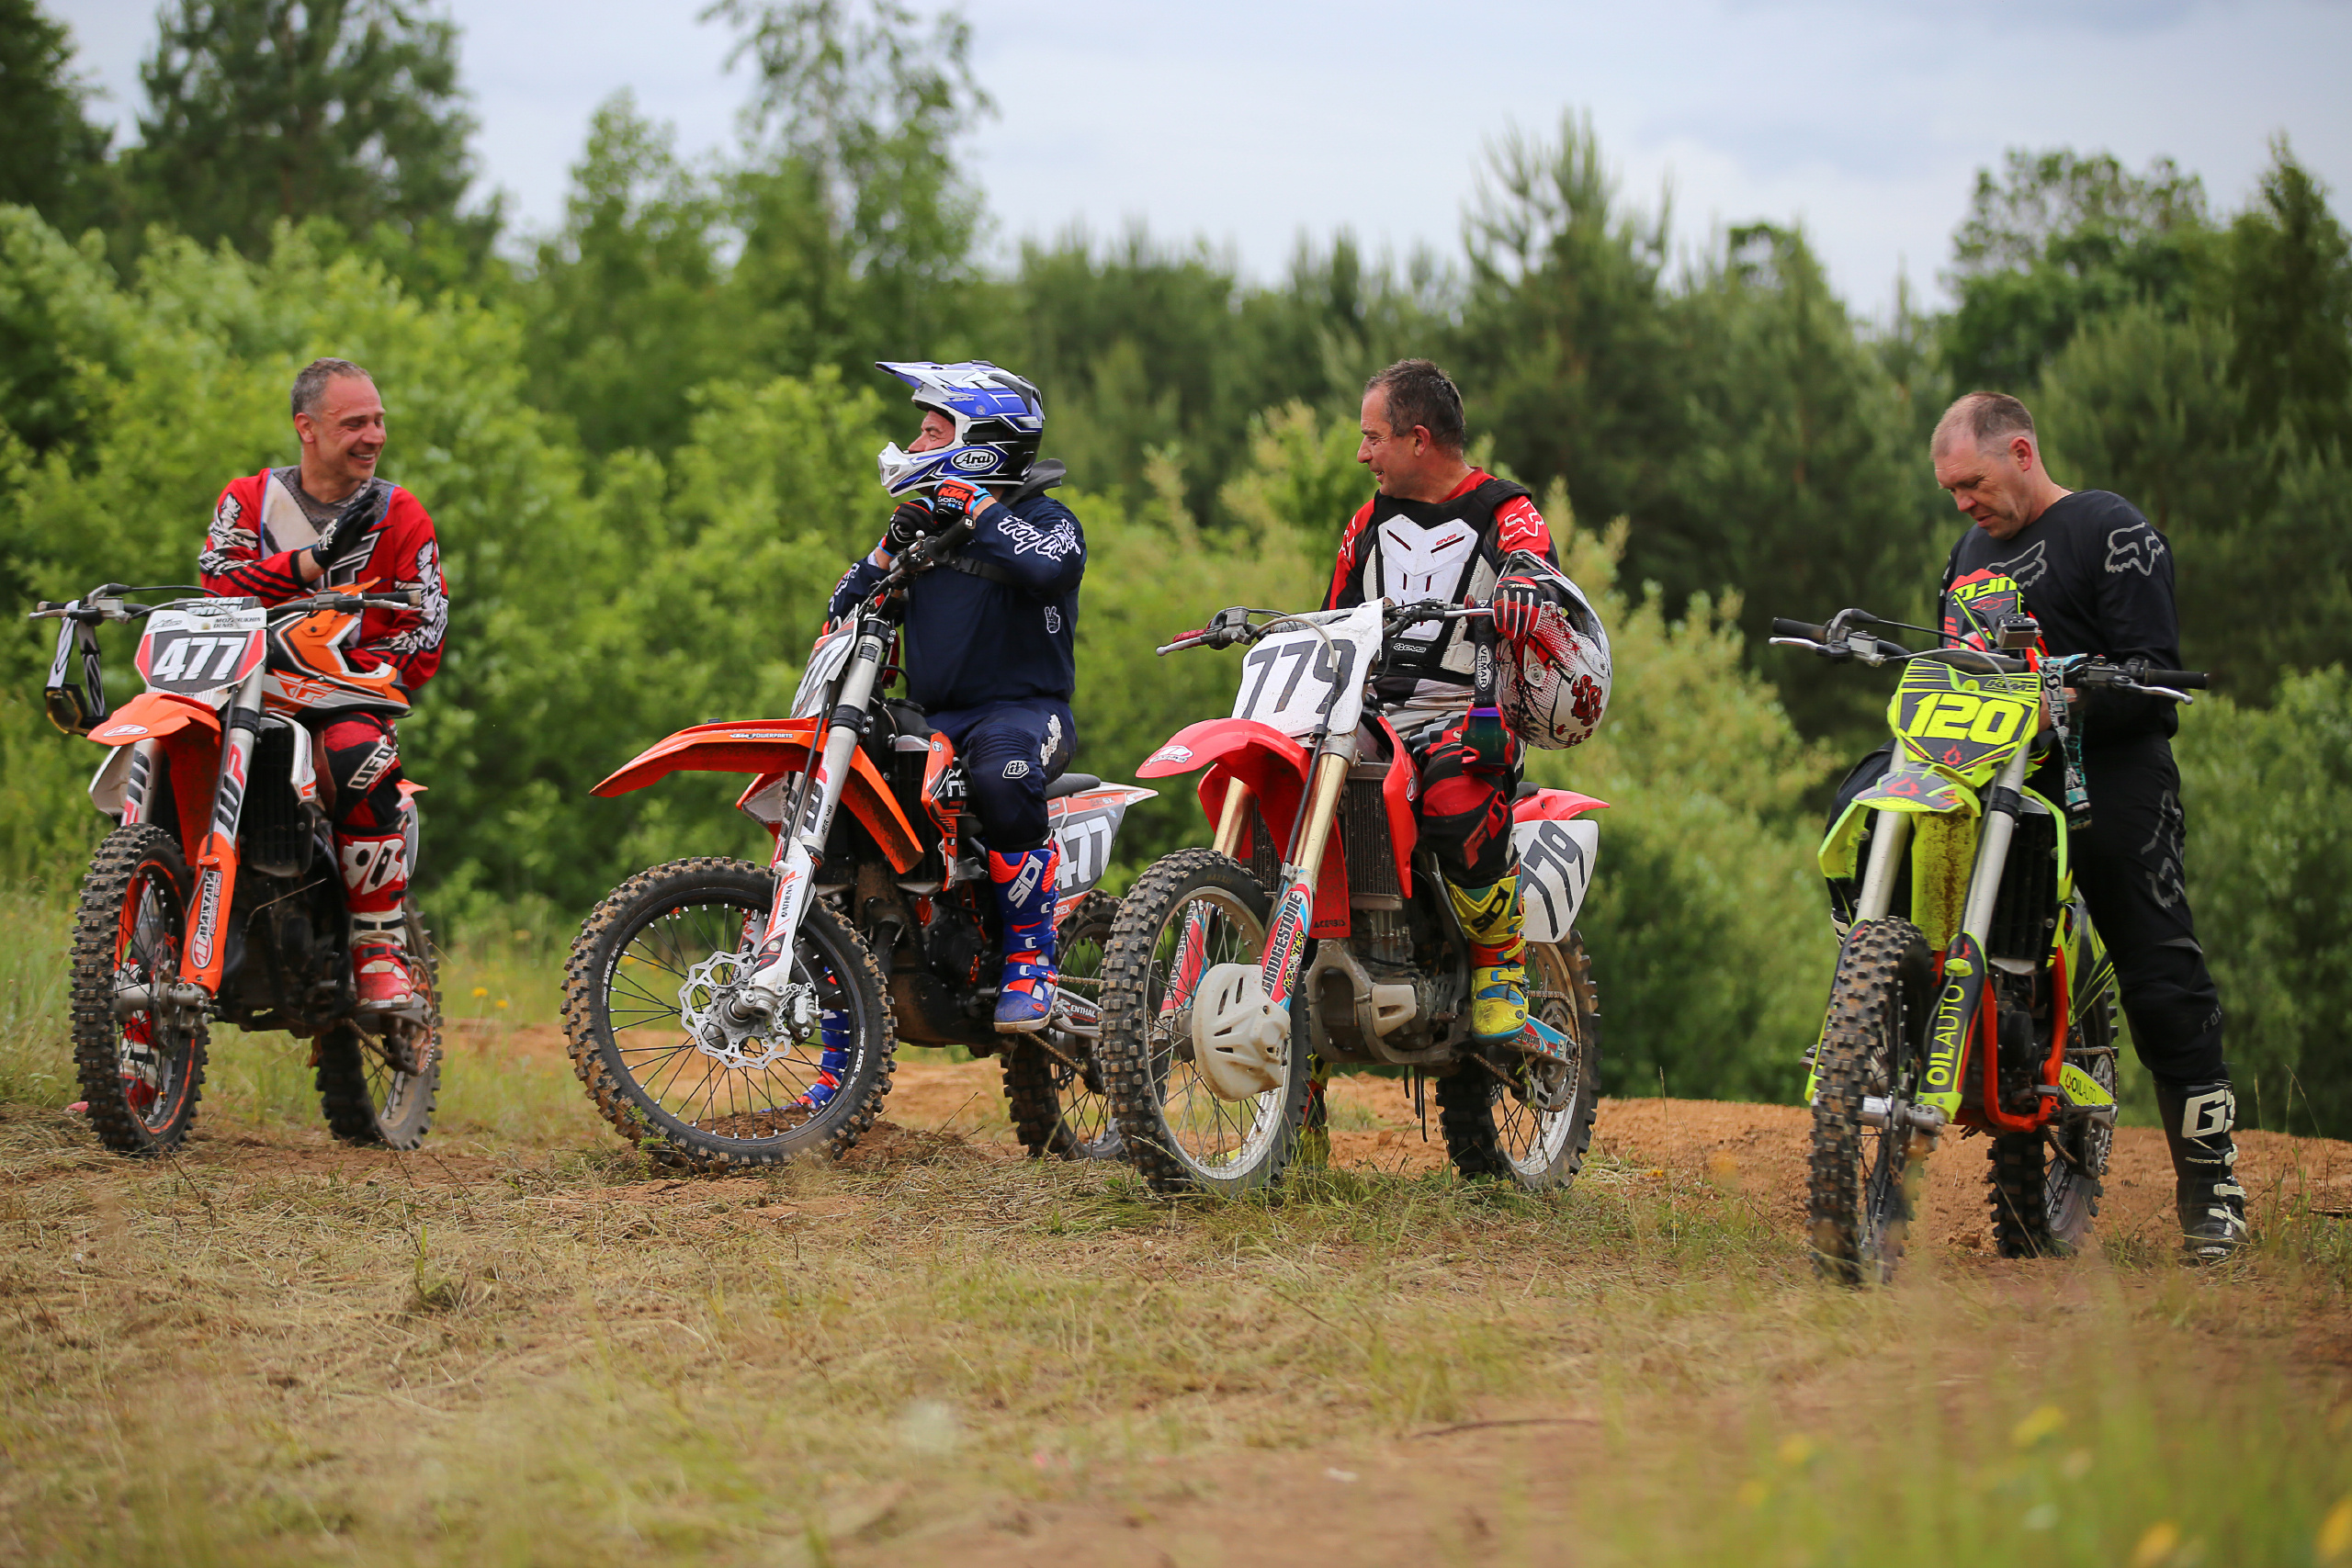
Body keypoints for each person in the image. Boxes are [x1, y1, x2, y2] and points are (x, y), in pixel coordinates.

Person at [1835, 390, 2244, 1262]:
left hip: (2104, 771)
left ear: (2022, 452)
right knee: (1864, 798)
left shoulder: (2108, 529)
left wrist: (2088, 689)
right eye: (1949, 489)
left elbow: (2158, 673)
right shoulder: (1967, 551)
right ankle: (1883, 991)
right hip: (1985, 771)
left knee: (2160, 968)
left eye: (1973, 482)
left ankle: (2213, 1187)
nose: (1962, 503)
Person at [1323, 358, 1602, 1044]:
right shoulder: (1364, 526)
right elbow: (1332, 616)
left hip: (1469, 715)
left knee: (1455, 793)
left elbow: (1538, 568)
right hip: (1376, 722)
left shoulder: (1506, 511)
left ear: (1418, 439)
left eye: (1373, 437)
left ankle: (1499, 964)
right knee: (1302, 786)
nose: (1363, 453)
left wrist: (1529, 589)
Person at [826, 361, 1083, 1032]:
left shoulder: (1046, 516)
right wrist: (888, 550)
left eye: (931, 432)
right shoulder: (923, 532)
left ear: (979, 443)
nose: (913, 447)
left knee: (1003, 772)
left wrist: (977, 508)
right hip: (932, 719)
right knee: (844, 789)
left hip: (1025, 712)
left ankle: (1032, 955)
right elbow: (838, 615)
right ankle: (839, 985)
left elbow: (1052, 566)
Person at [198, 358, 449, 1011]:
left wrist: (356, 662)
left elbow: (424, 635)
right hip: (242, 690)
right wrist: (310, 562)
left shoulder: (401, 514)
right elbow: (218, 585)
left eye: (379, 421)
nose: (374, 436)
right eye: (355, 423)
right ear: (305, 427)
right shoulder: (247, 499)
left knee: (355, 755)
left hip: (337, 698)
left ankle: (378, 946)